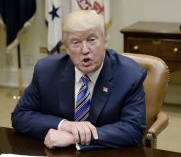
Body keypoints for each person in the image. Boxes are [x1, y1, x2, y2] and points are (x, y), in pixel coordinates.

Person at [11, 10, 147, 150]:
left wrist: (74, 137)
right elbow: (20, 116)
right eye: (76, 42)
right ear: (67, 48)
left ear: (105, 41)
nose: (85, 50)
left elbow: (133, 129)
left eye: (92, 40)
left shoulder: (130, 75)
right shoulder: (46, 70)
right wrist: (65, 125)